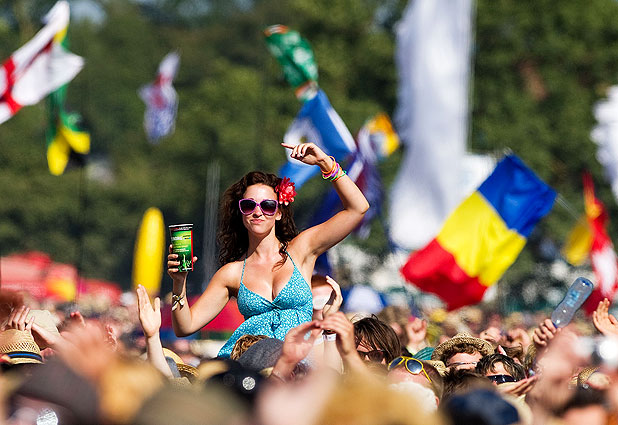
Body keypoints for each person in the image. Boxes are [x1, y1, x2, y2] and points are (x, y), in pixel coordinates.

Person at [168, 142, 369, 357]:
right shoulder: (232, 273)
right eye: (249, 205)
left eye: (267, 206)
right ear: (241, 213)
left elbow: (358, 208)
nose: (258, 212)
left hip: (298, 365)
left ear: (279, 212)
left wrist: (325, 163)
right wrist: (179, 283)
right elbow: (185, 327)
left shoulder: (301, 250)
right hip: (247, 365)